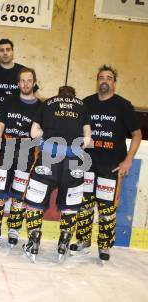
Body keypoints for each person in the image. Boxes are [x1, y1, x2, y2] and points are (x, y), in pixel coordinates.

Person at [70, 65, 142, 261]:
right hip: (88, 164)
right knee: (85, 205)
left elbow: (137, 134)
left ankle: (104, 246)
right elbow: (76, 131)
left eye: (109, 78)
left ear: (114, 83)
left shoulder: (123, 105)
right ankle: (83, 240)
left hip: (111, 166)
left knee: (106, 208)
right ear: (97, 81)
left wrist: (128, 160)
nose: (104, 81)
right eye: (101, 77)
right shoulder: (86, 103)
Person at [23, 85, 92, 261]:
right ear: (74, 96)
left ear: (58, 94)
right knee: (70, 205)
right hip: (73, 162)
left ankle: (34, 240)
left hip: (48, 158)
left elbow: (33, 132)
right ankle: (64, 241)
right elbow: (88, 138)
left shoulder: (48, 103)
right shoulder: (82, 106)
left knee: (35, 202)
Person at [0, 67, 41, 246]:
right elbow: (0, 127)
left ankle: (14, 229)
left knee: (19, 196)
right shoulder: (9, 102)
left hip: (26, 154)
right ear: (18, 83)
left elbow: (42, 132)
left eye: (29, 81)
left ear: (34, 83)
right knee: (0, 194)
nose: (26, 84)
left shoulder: (40, 106)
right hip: (5, 150)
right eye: (22, 81)